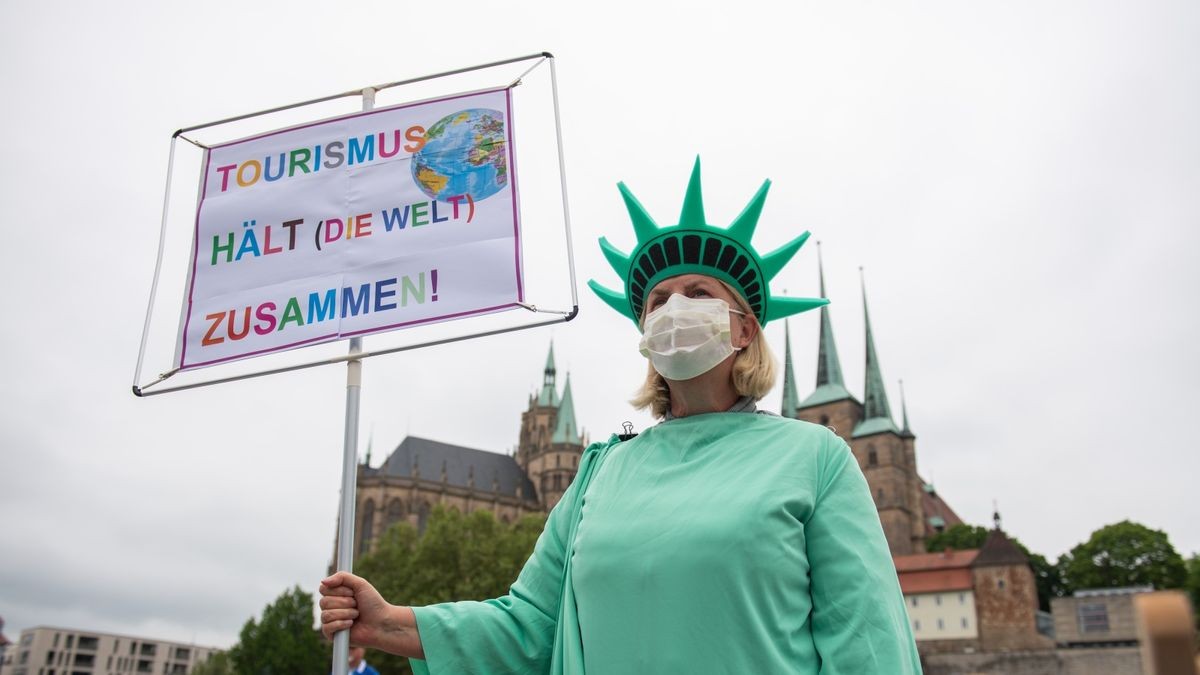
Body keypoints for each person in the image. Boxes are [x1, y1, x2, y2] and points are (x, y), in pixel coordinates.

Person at [320, 158, 922, 674]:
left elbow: (867, 646)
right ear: (644, 333)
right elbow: (530, 624)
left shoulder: (815, 457)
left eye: (699, 293)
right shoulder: (599, 473)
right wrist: (390, 625)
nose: (675, 308)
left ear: (743, 329)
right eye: (659, 300)